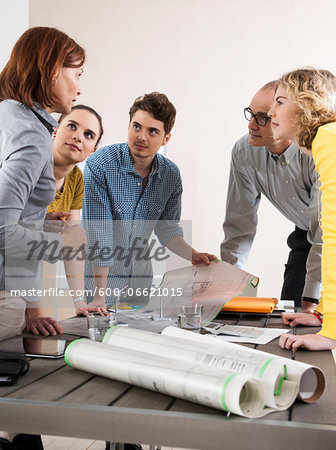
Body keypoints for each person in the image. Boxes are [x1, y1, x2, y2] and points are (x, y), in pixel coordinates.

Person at [82, 92, 217, 309]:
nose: (141, 137)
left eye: (152, 131)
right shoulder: (100, 165)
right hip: (101, 285)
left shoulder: (171, 175)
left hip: (141, 284)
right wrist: (99, 296)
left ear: (166, 138)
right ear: (128, 126)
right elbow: (100, 234)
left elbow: (168, 230)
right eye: (137, 127)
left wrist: (194, 256)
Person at [0, 27, 87, 341]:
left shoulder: (7, 117)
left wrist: (35, 221)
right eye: (77, 75)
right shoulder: (32, 140)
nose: (78, 88)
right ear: (51, 70)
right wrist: (60, 246)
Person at [220, 81, 322, 311]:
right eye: (250, 114)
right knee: (290, 318)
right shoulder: (244, 152)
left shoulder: (318, 151)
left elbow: (324, 233)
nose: (251, 125)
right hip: (306, 236)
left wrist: (310, 302)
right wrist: (230, 293)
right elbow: (239, 227)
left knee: (314, 315)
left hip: (328, 235)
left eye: (262, 117)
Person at [268, 68, 336, 351]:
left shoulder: (328, 139)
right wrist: (322, 314)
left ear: (308, 105)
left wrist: (331, 330)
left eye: (280, 102)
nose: (270, 111)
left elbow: (333, 235)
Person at [47, 105, 107, 316]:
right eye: (71, 126)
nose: (77, 137)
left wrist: (80, 302)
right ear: (54, 131)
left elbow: (73, 242)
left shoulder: (76, 179)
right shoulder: (30, 164)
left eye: (88, 135)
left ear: (93, 150)